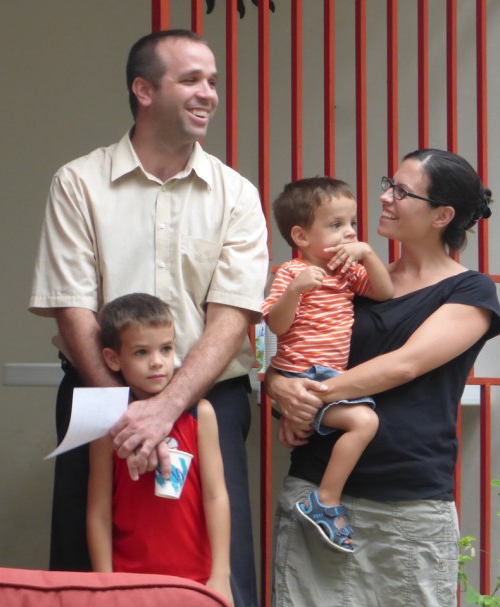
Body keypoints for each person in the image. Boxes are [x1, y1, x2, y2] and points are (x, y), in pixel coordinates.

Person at [28, 29, 267, 606]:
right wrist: (129, 411)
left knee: (218, 571)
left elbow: (232, 316)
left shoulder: (236, 195)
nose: (208, 92)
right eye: (191, 79)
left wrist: (165, 407)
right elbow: (71, 305)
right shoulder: (78, 182)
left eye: (212, 80)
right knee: (90, 572)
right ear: (143, 89)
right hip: (99, 393)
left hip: (209, 403)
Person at [267, 149, 500, 606]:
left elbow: (405, 364)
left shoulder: (470, 290)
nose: (384, 197)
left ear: (443, 215)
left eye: (401, 191)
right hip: (315, 489)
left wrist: (312, 397)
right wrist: (281, 388)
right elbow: (295, 351)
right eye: (388, 183)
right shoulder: (349, 281)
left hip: (406, 504)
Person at [261, 177, 393, 553]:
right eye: (336, 225)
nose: (349, 232)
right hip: (299, 374)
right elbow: (276, 325)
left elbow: (384, 292)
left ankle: (299, 428)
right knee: (364, 421)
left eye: (352, 223)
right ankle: (326, 501)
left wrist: (367, 254)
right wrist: (294, 290)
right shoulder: (289, 273)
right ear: (301, 237)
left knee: (326, 423)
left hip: (328, 378)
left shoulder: (347, 271)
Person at [87, 293, 232, 605]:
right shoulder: (107, 424)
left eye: (166, 349)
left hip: (196, 581)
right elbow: (98, 511)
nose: (157, 361)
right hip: (127, 583)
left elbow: (216, 496)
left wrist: (220, 575)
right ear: (113, 359)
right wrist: (105, 583)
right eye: (141, 352)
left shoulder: (200, 414)